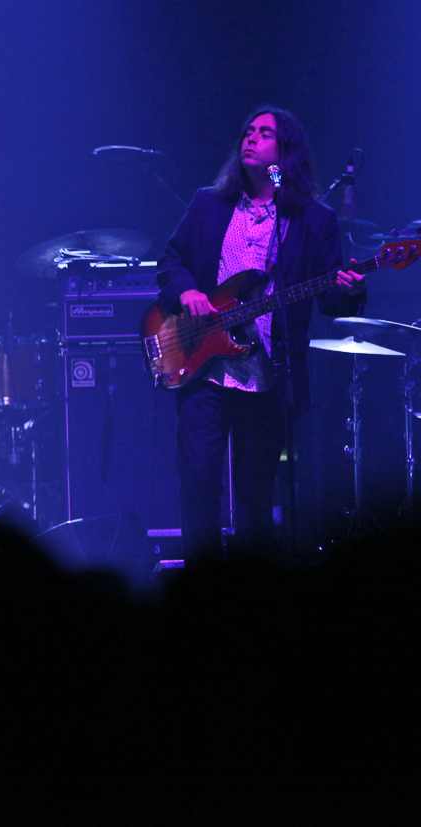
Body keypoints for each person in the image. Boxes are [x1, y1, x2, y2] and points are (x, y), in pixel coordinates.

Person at [157, 107, 366, 556]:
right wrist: (190, 292)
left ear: (285, 151)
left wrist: (350, 289)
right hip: (205, 367)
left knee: (256, 493)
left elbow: (330, 300)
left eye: (265, 133)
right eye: (247, 131)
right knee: (198, 480)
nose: (251, 137)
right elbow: (171, 261)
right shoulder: (209, 203)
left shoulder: (314, 220)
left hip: (268, 375)